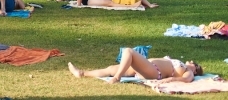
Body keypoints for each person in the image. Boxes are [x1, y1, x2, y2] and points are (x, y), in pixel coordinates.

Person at [68, 48, 203, 84]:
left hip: (154, 72)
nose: (190, 61)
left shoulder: (188, 71)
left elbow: (184, 80)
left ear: (195, 68)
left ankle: (117, 78)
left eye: (192, 63)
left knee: (129, 51)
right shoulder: (183, 65)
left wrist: (167, 81)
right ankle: (82, 73)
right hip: (147, 67)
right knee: (110, 68)